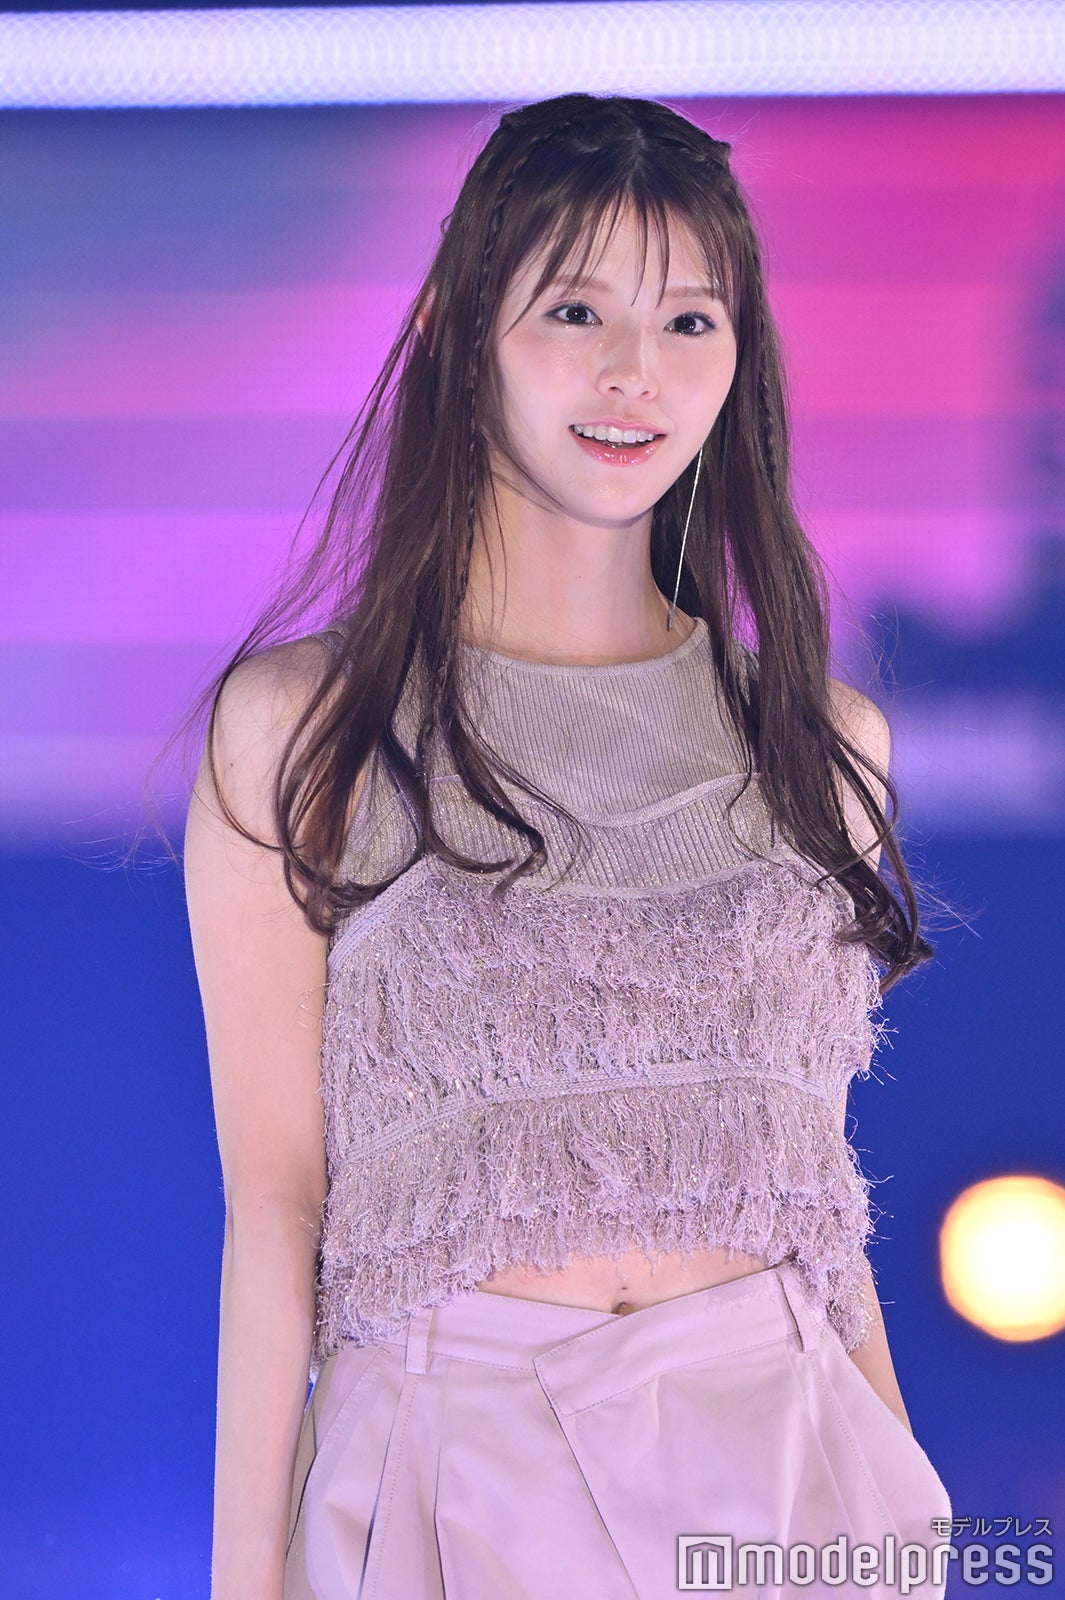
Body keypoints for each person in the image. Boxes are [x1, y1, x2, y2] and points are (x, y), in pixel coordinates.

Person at [184, 93, 953, 1600]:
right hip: (454, 1464)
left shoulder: (822, 740)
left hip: (788, 1471)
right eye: (575, 308)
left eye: (688, 321)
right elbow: (275, 1206)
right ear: (458, 328)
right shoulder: (304, 730)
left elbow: (810, 1191)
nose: (632, 371)